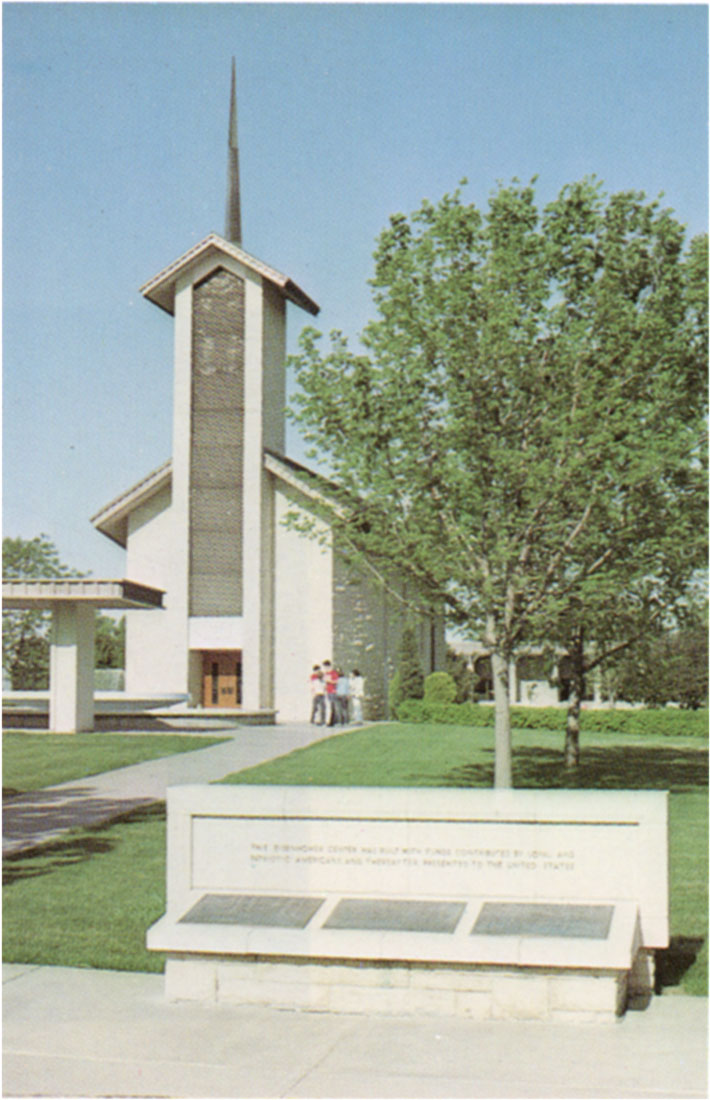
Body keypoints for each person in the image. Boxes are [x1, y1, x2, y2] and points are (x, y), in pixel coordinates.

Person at [322, 660, 339, 726]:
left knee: (332, 706)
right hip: (327, 691)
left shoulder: (333, 673)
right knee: (328, 706)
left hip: (332, 691)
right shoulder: (325, 674)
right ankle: (328, 721)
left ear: (329, 666)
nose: (325, 669)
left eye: (326, 667)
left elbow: (336, 682)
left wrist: (330, 681)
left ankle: (332, 721)